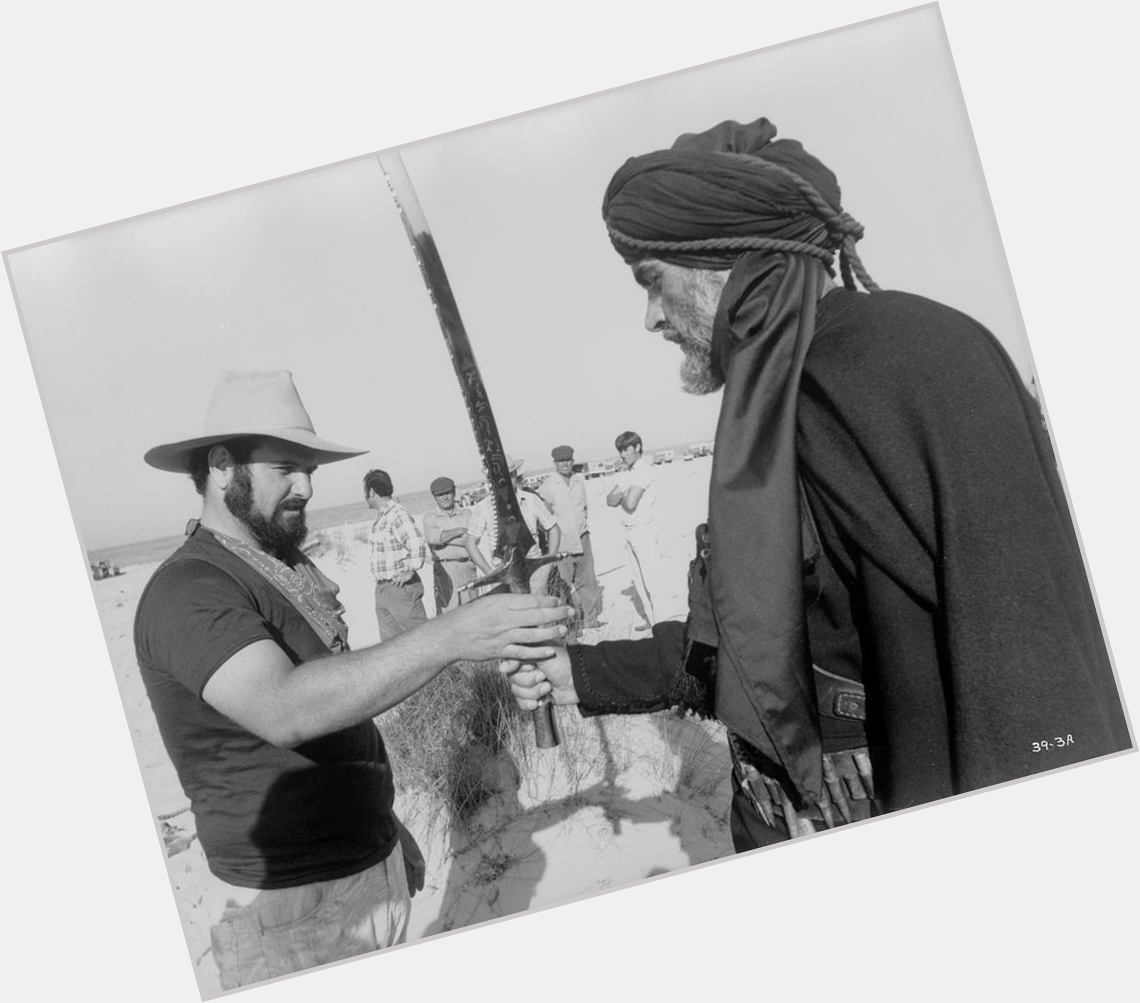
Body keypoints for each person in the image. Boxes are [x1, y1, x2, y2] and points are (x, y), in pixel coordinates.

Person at [503, 116, 1129, 850]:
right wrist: (577, 669)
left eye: (653, 283)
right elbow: (757, 643)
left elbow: (1030, 664)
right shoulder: (779, 403)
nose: (651, 319)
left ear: (725, 261)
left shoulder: (906, 367)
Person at [133, 371, 569, 991]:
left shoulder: (276, 563)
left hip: (364, 863)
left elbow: (341, 700)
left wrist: (383, 826)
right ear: (223, 465)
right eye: (286, 466)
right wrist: (452, 635)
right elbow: (285, 708)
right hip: (288, 905)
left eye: (309, 468)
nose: (308, 486)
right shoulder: (190, 590)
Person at [606, 430, 676, 628]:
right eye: (620, 450)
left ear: (637, 447)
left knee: (653, 581)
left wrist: (623, 494)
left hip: (643, 530)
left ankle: (664, 624)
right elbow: (609, 500)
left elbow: (630, 503)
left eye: (626, 449)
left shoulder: (644, 470)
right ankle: (653, 621)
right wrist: (624, 494)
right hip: (629, 530)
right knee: (639, 581)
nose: (622, 454)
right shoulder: (629, 473)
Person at [465, 457, 561, 596]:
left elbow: (553, 527)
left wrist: (550, 559)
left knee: (539, 612)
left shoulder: (531, 499)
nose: (506, 481)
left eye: (510, 475)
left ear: (516, 476)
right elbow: (470, 543)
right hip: (505, 573)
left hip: (535, 570)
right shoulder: (483, 507)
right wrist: (490, 572)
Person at [538, 444, 602, 625]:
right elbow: (544, 518)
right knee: (564, 584)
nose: (565, 464)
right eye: (561, 461)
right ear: (555, 463)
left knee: (588, 581)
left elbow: (584, 508)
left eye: (568, 460)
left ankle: (591, 619)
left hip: (582, 538)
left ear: (573, 461)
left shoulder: (578, 480)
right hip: (562, 542)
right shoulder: (548, 486)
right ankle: (570, 625)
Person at [364, 468, 429, 641]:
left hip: (399, 589)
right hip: (384, 589)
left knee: (420, 641)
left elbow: (416, 541)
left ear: (371, 491)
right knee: (391, 648)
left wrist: (410, 570)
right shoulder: (383, 517)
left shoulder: (396, 513)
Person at [422, 475, 477, 611]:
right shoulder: (430, 518)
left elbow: (474, 540)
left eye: (447, 493)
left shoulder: (467, 514)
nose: (444, 497)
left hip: (468, 568)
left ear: (453, 492)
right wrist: (460, 530)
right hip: (445, 569)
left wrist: (445, 537)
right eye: (440, 495)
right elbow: (433, 538)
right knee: (448, 615)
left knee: (473, 612)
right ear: (434, 497)